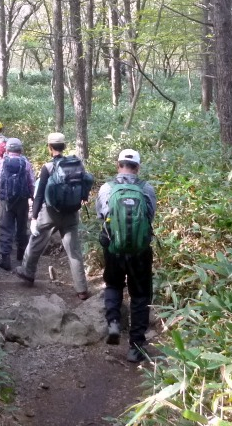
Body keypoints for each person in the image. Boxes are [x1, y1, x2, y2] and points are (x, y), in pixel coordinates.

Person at [16, 132, 93, 300]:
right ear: (64, 147)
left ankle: (27, 273)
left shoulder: (48, 167)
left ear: (50, 148)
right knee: (74, 251)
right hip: (72, 213)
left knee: (36, 241)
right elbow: (84, 187)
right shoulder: (77, 164)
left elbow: (39, 195)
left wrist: (34, 217)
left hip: (50, 213)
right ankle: (82, 289)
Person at [96, 149, 157, 363]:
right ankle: (136, 347)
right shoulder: (146, 189)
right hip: (140, 251)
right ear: (137, 167)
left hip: (114, 248)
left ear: (118, 164)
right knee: (140, 296)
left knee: (113, 285)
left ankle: (113, 322)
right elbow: (150, 216)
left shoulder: (107, 188)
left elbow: (102, 216)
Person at [0, 137, 34, 270]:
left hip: (6, 200)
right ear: (21, 149)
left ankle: (5, 258)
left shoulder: (2, 162)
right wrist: (33, 197)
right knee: (22, 226)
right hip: (22, 200)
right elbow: (31, 182)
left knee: (6, 227)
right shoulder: (25, 163)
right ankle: (21, 254)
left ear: (7, 149)